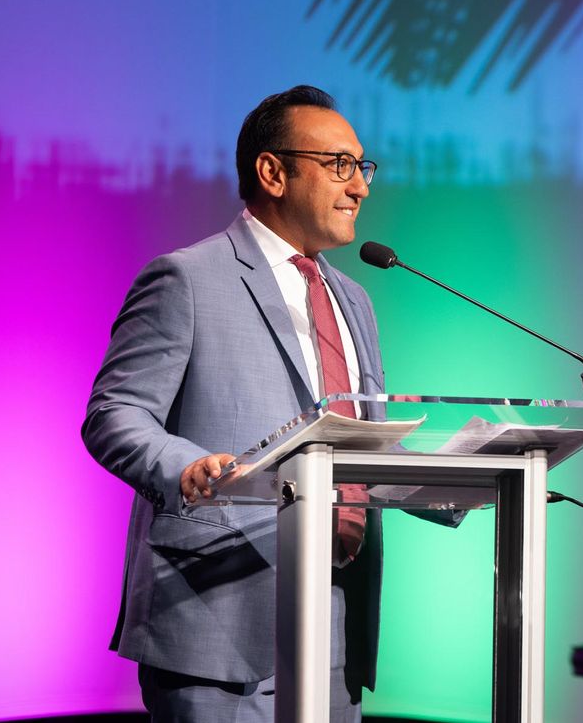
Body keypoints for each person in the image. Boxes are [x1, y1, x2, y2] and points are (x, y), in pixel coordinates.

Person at [84, 85, 429, 722]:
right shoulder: (187, 278)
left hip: (335, 622)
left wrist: (469, 474)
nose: (360, 187)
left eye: (362, 167)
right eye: (340, 165)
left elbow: (354, 443)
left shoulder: (355, 299)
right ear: (272, 172)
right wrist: (185, 467)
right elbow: (114, 413)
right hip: (217, 622)